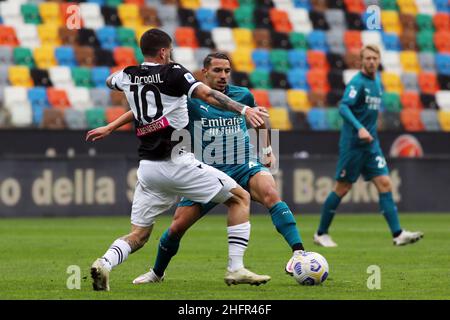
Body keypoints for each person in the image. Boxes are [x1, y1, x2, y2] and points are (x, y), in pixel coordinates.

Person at [90, 52, 306, 283]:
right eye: (217, 71)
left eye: (227, 71)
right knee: (177, 227)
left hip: (244, 164)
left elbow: (259, 121)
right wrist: (111, 126)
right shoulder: (190, 96)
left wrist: (266, 151)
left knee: (271, 193)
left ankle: (299, 252)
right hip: (208, 169)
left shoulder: (243, 95)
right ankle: (157, 273)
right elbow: (146, 110)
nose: (223, 76)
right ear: (205, 72)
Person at [314, 44, 424, 247]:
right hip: (354, 145)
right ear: (361, 61)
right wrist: (359, 128)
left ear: (379, 60)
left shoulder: (377, 83)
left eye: (375, 58)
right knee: (343, 187)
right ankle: (321, 233)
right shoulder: (357, 82)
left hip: (371, 145)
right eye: (368, 58)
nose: (372, 61)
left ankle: (398, 234)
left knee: (385, 183)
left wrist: (370, 128)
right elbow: (344, 106)